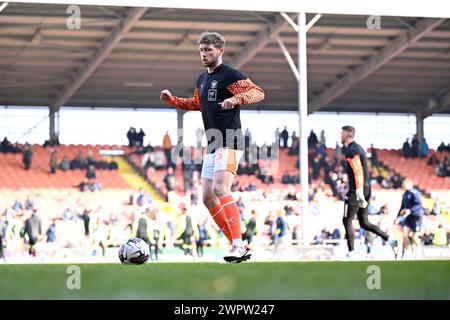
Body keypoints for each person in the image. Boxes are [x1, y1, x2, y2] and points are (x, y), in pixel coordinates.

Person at [161, 31, 264, 263]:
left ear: (220, 51)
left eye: (208, 50)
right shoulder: (202, 79)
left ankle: (238, 245)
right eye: (201, 50)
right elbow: (197, 103)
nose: (204, 54)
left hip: (230, 139)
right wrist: (173, 101)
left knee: (220, 189)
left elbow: (257, 93)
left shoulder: (230, 75)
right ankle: (237, 246)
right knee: (207, 196)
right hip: (213, 144)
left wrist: (235, 100)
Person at [340, 126, 397, 259]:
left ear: (347, 135)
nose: (340, 135)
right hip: (366, 189)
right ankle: (390, 240)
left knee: (347, 220)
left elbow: (358, 171)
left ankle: (352, 253)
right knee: (364, 222)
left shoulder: (351, 150)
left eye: (342, 133)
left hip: (357, 190)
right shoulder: (359, 148)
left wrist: (358, 190)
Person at [397, 179, 424, 259]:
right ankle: (408, 253)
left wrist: (410, 210)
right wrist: (398, 217)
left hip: (416, 216)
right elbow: (402, 206)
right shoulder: (405, 194)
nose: (402, 186)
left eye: (404, 184)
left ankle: (419, 250)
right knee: (405, 235)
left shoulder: (415, 193)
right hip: (408, 217)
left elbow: (419, 205)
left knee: (414, 236)